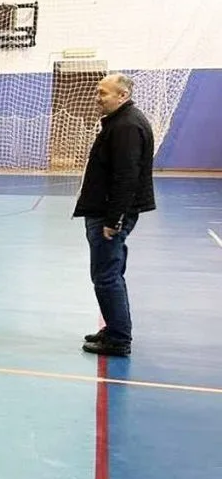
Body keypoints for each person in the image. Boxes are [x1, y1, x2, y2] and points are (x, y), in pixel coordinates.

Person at [72, 73, 156, 357]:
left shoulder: (127, 126)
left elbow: (126, 176)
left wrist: (114, 219)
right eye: (98, 91)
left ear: (122, 95)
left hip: (109, 213)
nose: (98, 98)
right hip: (105, 209)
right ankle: (114, 328)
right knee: (109, 272)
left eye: (103, 93)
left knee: (106, 276)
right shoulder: (120, 122)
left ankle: (119, 338)